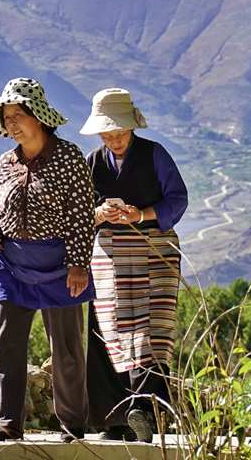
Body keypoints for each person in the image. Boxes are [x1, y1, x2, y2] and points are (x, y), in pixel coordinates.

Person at [0, 78, 95, 443]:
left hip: (60, 265)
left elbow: (81, 213)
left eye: (17, 115)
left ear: (39, 117)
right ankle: (7, 422)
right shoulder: (4, 163)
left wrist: (78, 263)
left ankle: (72, 424)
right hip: (11, 265)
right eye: (6, 117)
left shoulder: (68, 158)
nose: (11, 123)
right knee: (7, 344)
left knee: (67, 349)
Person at [79, 88, 188, 443]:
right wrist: (99, 213)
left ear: (133, 127)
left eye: (119, 133)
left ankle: (145, 409)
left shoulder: (155, 155)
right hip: (110, 257)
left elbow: (177, 198)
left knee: (151, 328)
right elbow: (82, 208)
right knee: (107, 329)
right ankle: (113, 418)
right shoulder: (94, 162)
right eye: (107, 134)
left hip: (154, 249)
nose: (113, 140)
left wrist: (141, 214)